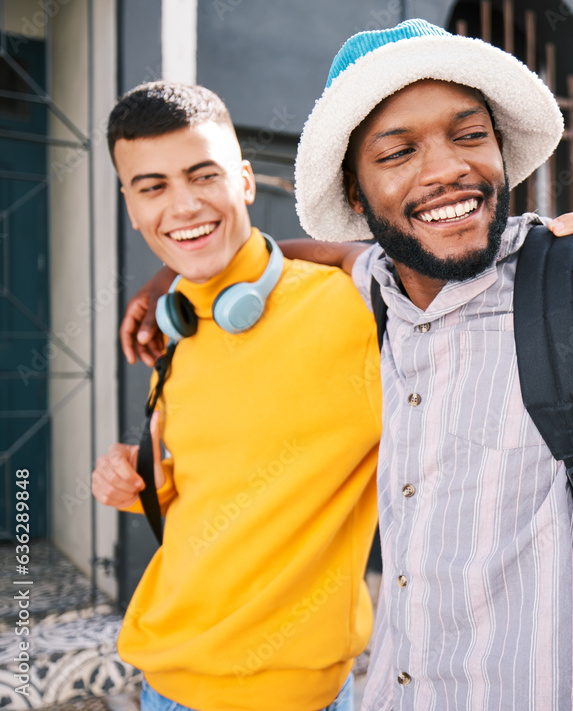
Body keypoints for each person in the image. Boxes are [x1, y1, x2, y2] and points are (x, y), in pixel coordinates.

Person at [290, 20, 573, 711]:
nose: (445, 169)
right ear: (355, 194)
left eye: (469, 135)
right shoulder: (376, 290)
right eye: (398, 151)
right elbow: (346, 256)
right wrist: (177, 285)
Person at [92, 81, 382, 711]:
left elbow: (455, 269)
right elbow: (195, 484)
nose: (183, 206)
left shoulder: (346, 309)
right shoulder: (176, 326)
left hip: (293, 694)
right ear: (131, 206)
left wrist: (559, 246)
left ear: (245, 181)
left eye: (204, 176)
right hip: (162, 681)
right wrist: (132, 475)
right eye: (153, 188)